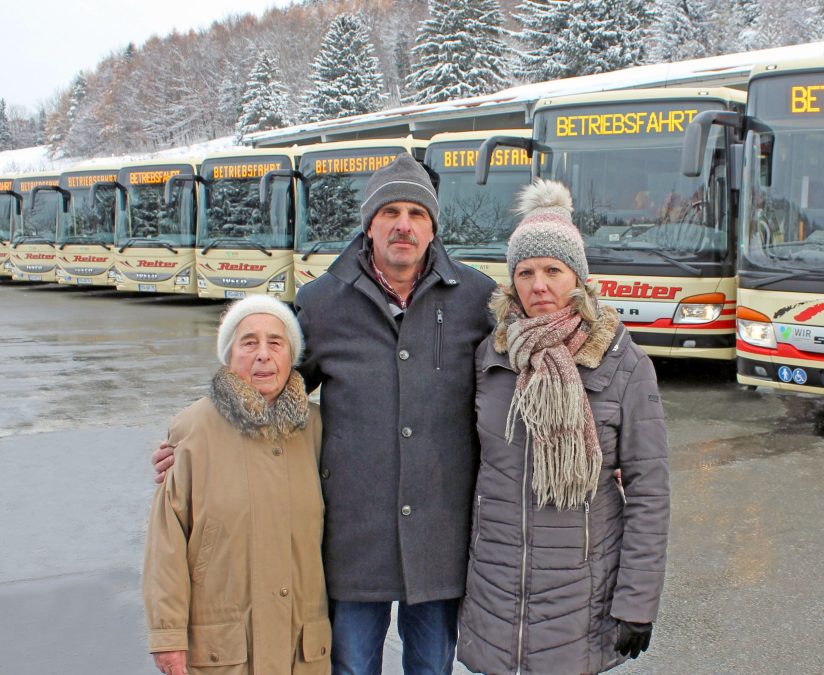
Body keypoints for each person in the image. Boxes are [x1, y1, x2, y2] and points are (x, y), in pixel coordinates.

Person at [153, 154, 494, 674]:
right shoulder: (323, 301)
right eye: (390, 213)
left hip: (440, 538)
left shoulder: (477, 299)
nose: (403, 225)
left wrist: (605, 446)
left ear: (432, 226)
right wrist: (198, 444)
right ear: (370, 224)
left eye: (416, 214)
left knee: (431, 668)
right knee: (350, 667)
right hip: (352, 538)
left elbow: (517, 386)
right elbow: (268, 389)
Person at [456, 179, 670, 674]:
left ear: (578, 277)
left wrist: (638, 601)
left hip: (581, 597)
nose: (539, 285)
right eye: (526, 272)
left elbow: (649, 491)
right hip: (496, 592)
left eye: (553, 270)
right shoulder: (491, 356)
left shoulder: (622, 363)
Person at [144, 296, 330, 675]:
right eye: (249, 343)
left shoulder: (318, 429)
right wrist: (168, 636)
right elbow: (167, 542)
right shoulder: (192, 429)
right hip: (223, 649)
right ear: (229, 356)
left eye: (275, 343)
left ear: (291, 356)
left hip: (302, 646)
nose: (263, 355)